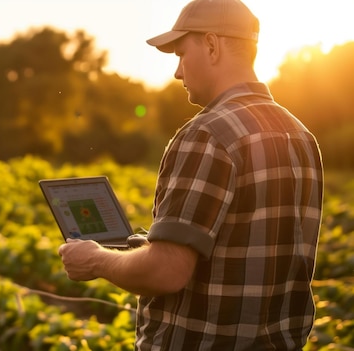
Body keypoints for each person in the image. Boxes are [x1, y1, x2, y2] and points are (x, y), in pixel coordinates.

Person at [57, 0, 324, 349]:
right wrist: (148, 247)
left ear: (212, 45)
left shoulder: (207, 134)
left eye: (181, 54)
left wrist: (94, 259)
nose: (178, 72)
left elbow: (166, 271)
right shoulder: (302, 136)